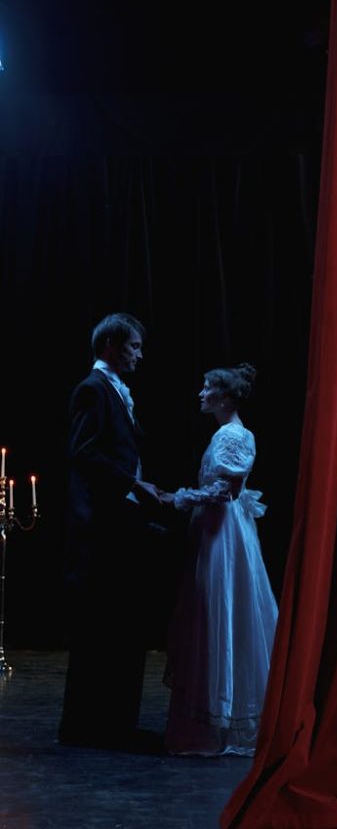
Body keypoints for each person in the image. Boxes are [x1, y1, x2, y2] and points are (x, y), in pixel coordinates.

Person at [159, 363, 278, 756]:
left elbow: (224, 491)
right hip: (217, 530)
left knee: (221, 612)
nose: (201, 393)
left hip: (223, 533)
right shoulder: (226, 433)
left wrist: (176, 498)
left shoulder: (234, 435)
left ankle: (220, 721)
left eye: (207, 388)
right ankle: (210, 721)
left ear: (224, 397)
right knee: (211, 614)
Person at [59, 312, 162, 751]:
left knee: (121, 626)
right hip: (102, 529)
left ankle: (115, 724)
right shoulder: (93, 389)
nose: (140, 354)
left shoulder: (115, 391)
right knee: (103, 628)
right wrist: (133, 483)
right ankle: (91, 727)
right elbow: (81, 453)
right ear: (110, 347)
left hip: (122, 522)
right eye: (133, 346)